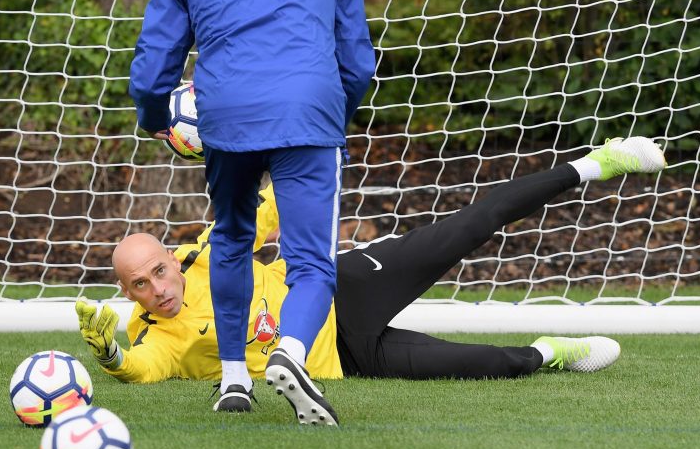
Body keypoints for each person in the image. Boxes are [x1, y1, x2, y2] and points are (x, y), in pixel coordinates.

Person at [77, 137, 667, 425]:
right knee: (484, 363)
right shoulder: (155, 334)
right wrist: (109, 355)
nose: (157, 287)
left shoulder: (210, 250)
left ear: (171, 260)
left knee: (470, 224)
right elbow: (142, 369)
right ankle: (553, 354)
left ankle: (596, 163)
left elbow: (272, 205)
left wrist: (293, 155)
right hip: (352, 357)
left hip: (347, 286)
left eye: (158, 270)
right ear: (129, 294)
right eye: (140, 284)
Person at [127, 0, 375, 423]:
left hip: (229, 117)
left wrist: (156, 119)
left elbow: (153, 69)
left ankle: (235, 379)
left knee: (233, 239)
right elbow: (358, 65)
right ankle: (289, 353)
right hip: (309, 114)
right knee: (311, 262)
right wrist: (333, 112)